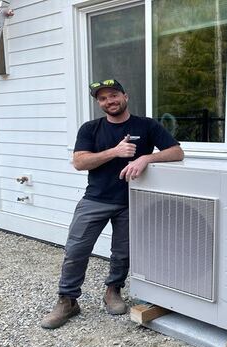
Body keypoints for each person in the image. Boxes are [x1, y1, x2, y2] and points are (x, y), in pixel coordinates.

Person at [41, 79, 184, 329]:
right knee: (76, 250)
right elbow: (80, 162)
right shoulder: (90, 129)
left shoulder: (146, 125)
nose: (110, 101)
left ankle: (113, 291)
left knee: (122, 252)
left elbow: (176, 152)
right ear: (99, 103)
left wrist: (147, 158)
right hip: (95, 200)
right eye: (103, 98)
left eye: (114, 95)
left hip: (132, 201)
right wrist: (114, 152)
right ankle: (68, 300)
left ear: (125, 96)